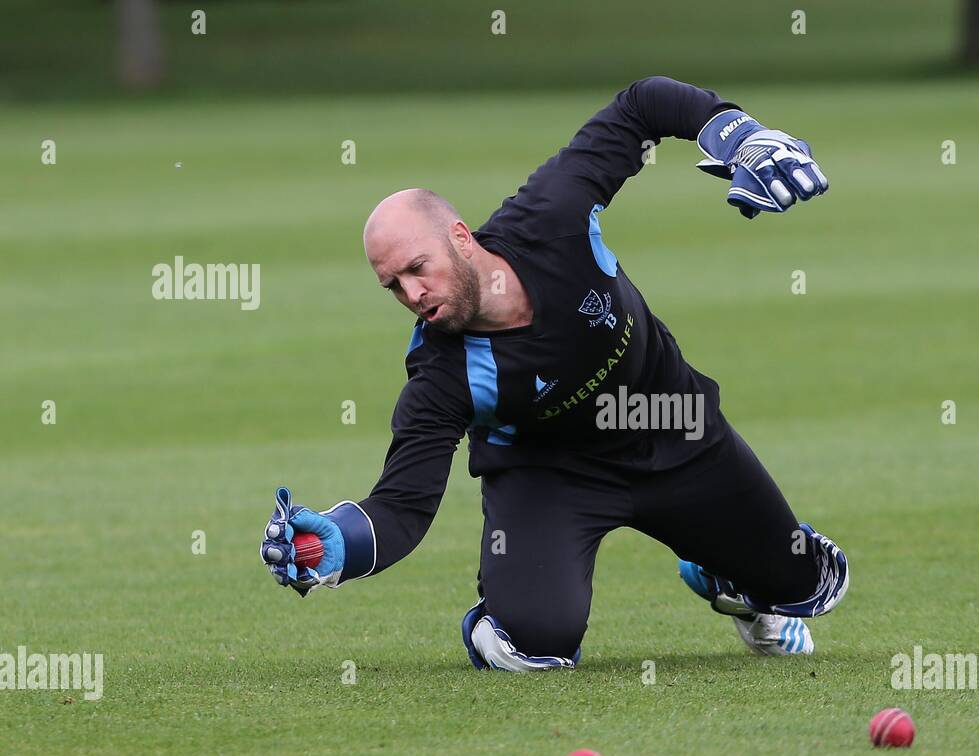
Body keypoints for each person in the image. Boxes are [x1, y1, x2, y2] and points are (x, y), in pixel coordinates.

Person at [260, 76, 849, 671]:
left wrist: (739, 136)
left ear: (460, 238)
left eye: (418, 268)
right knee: (533, 645)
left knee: (808, 584)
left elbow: (642, 105)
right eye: (393, 285)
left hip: (671, 422)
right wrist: (338, 544)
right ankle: (501, 616)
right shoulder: (440, 374)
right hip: (550, 475)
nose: (412, 293)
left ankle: (727, 575)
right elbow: (402, 506)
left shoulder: (553, 215)